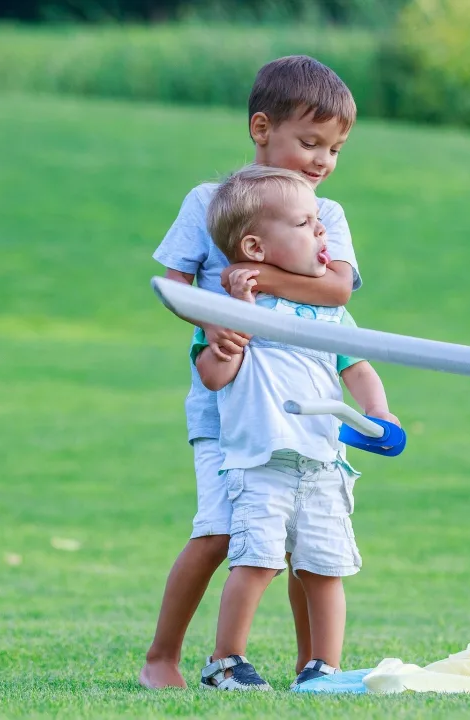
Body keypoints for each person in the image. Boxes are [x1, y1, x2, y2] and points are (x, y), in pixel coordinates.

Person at [141, 56, 362, 690]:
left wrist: (258, 279)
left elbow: (338, 289)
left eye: (335, 148)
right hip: (225, 400)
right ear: (261, 127)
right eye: (310, 142)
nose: (322, 160)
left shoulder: (328, 213)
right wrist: (212, 320)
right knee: (217, 531)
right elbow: (173, 282)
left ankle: (312, 668)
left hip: (297, 404)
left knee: (301, 542)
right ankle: (164, 657)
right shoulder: (207, 203)